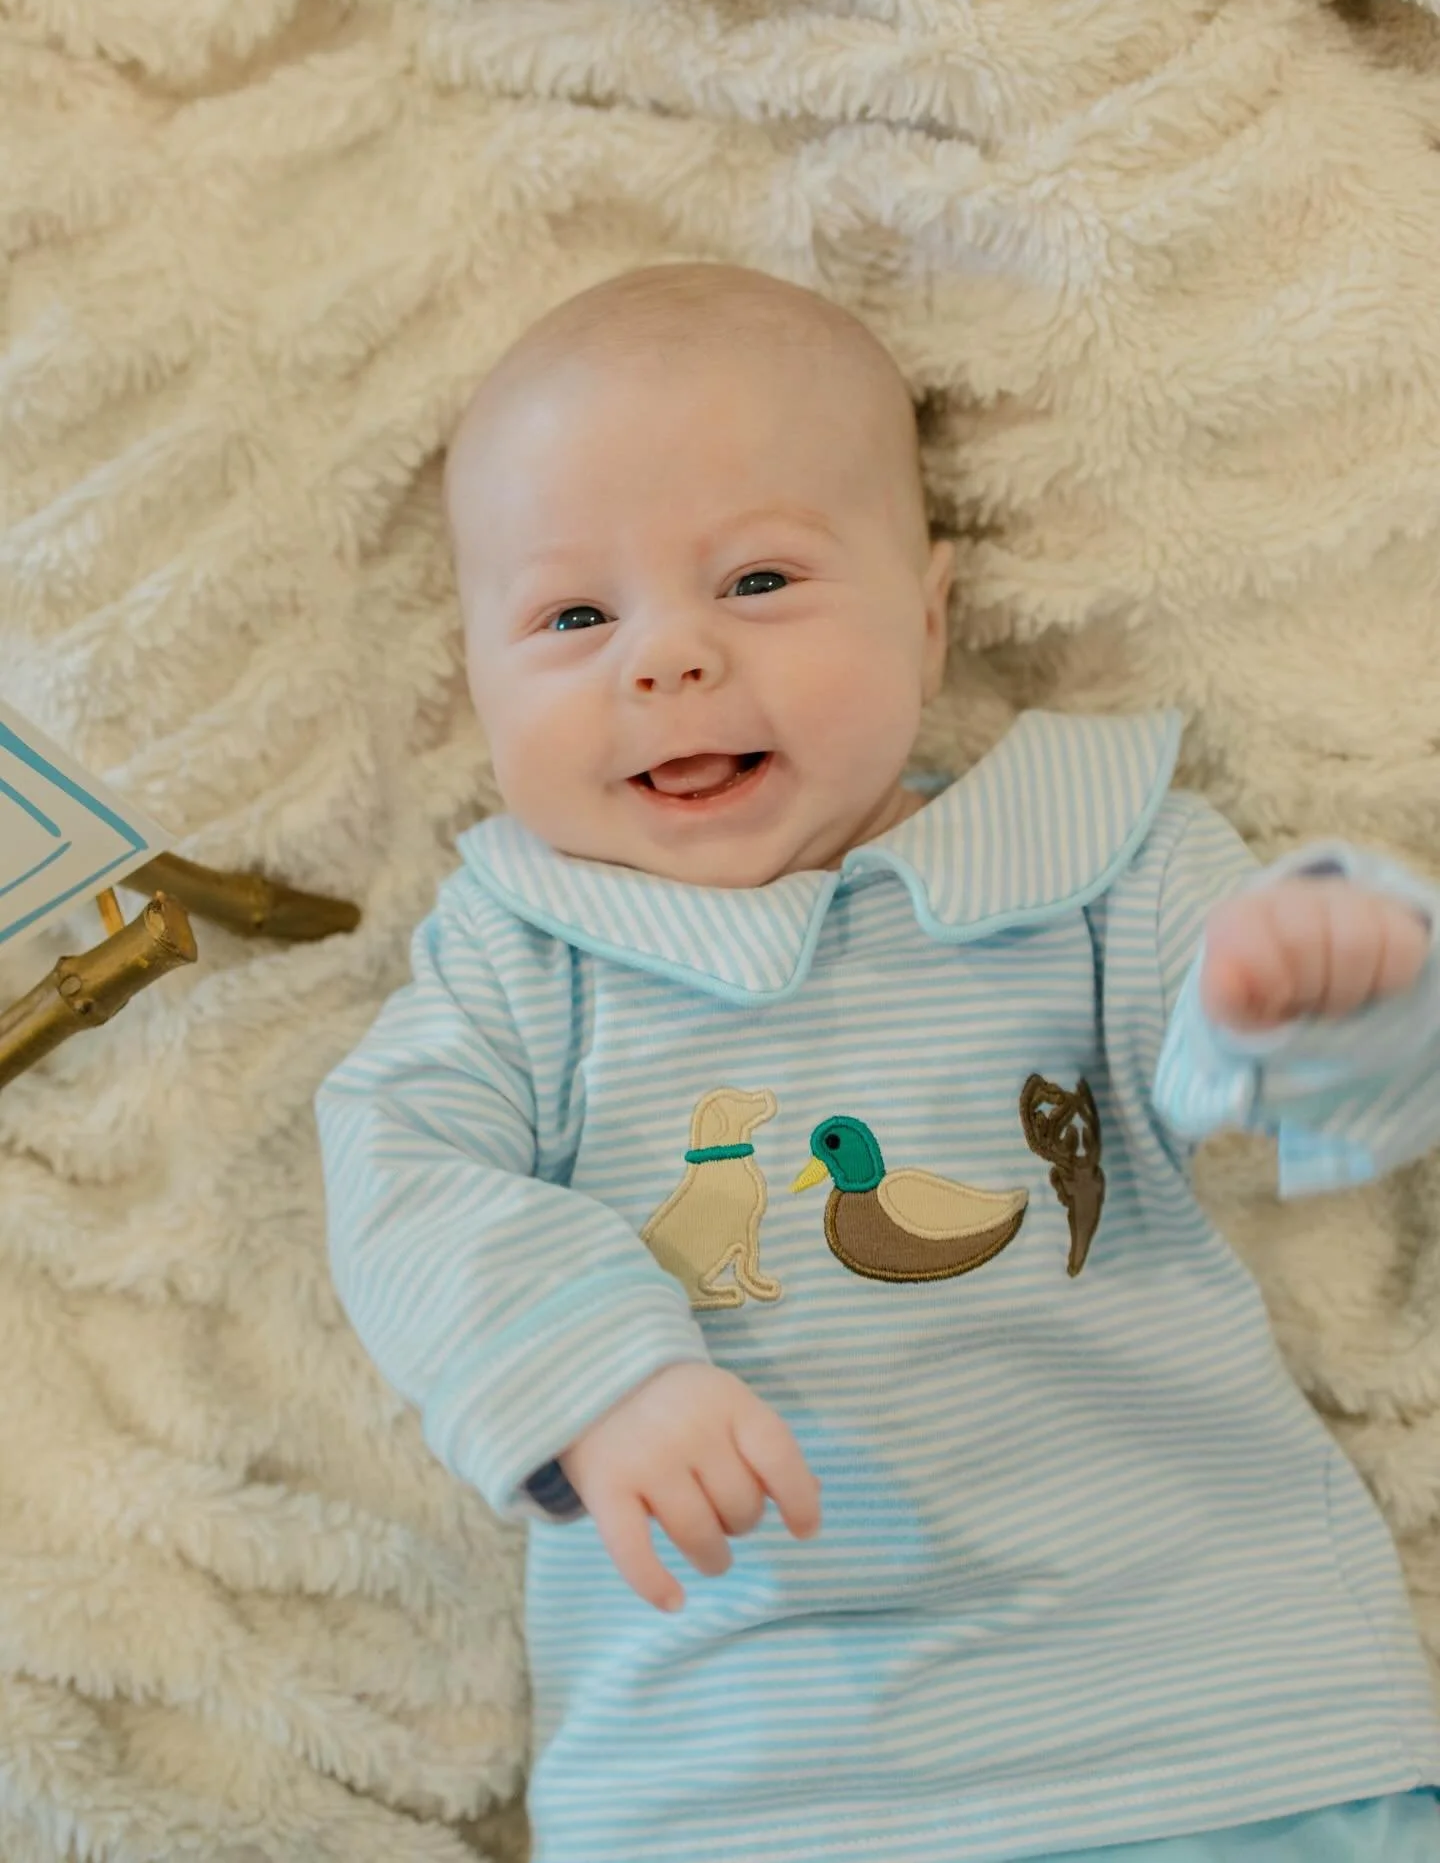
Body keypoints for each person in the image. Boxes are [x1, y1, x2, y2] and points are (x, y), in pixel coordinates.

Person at [315, 264, 1440, 1861]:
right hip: (740, 1774)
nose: (667, 659)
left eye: (758, 579)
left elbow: (1280, 1058)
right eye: (575, 617)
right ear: (475, 681)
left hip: (1207, 1710)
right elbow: (396, 1162)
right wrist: (597, 1376)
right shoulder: (525, 949)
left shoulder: (1091, 858)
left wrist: (1319, 978)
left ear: (927, 617)